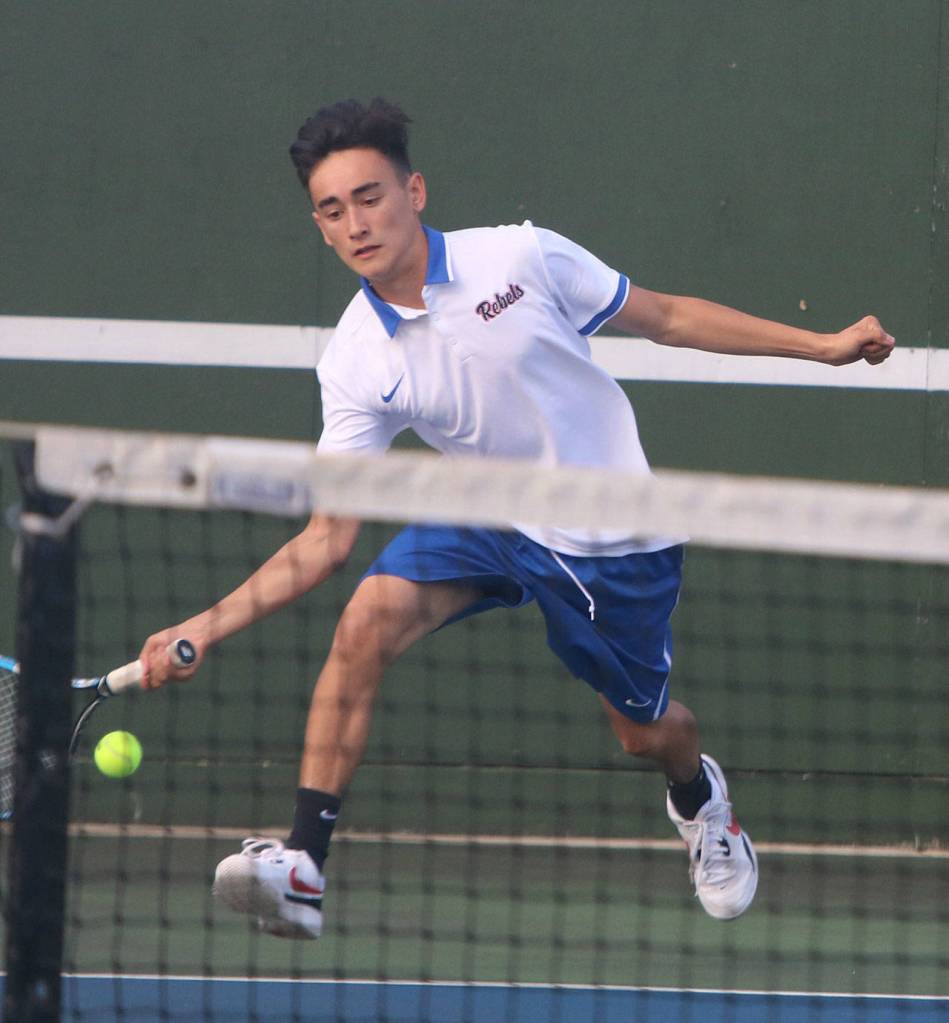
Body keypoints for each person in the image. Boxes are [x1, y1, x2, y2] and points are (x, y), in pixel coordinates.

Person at [139, 98, 894, 939]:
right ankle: (306, 863)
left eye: (369, 196)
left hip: (612, 535)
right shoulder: (354, 359)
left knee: (646, 735)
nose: (355, 222)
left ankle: (699, 798)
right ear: (318, 226)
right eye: (331, 209)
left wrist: (822, 346)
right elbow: (326, 539)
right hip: (488, 509)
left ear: (415, 191)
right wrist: (205, 624)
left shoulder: (521, 255)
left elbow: (668, 317)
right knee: (364, 620)